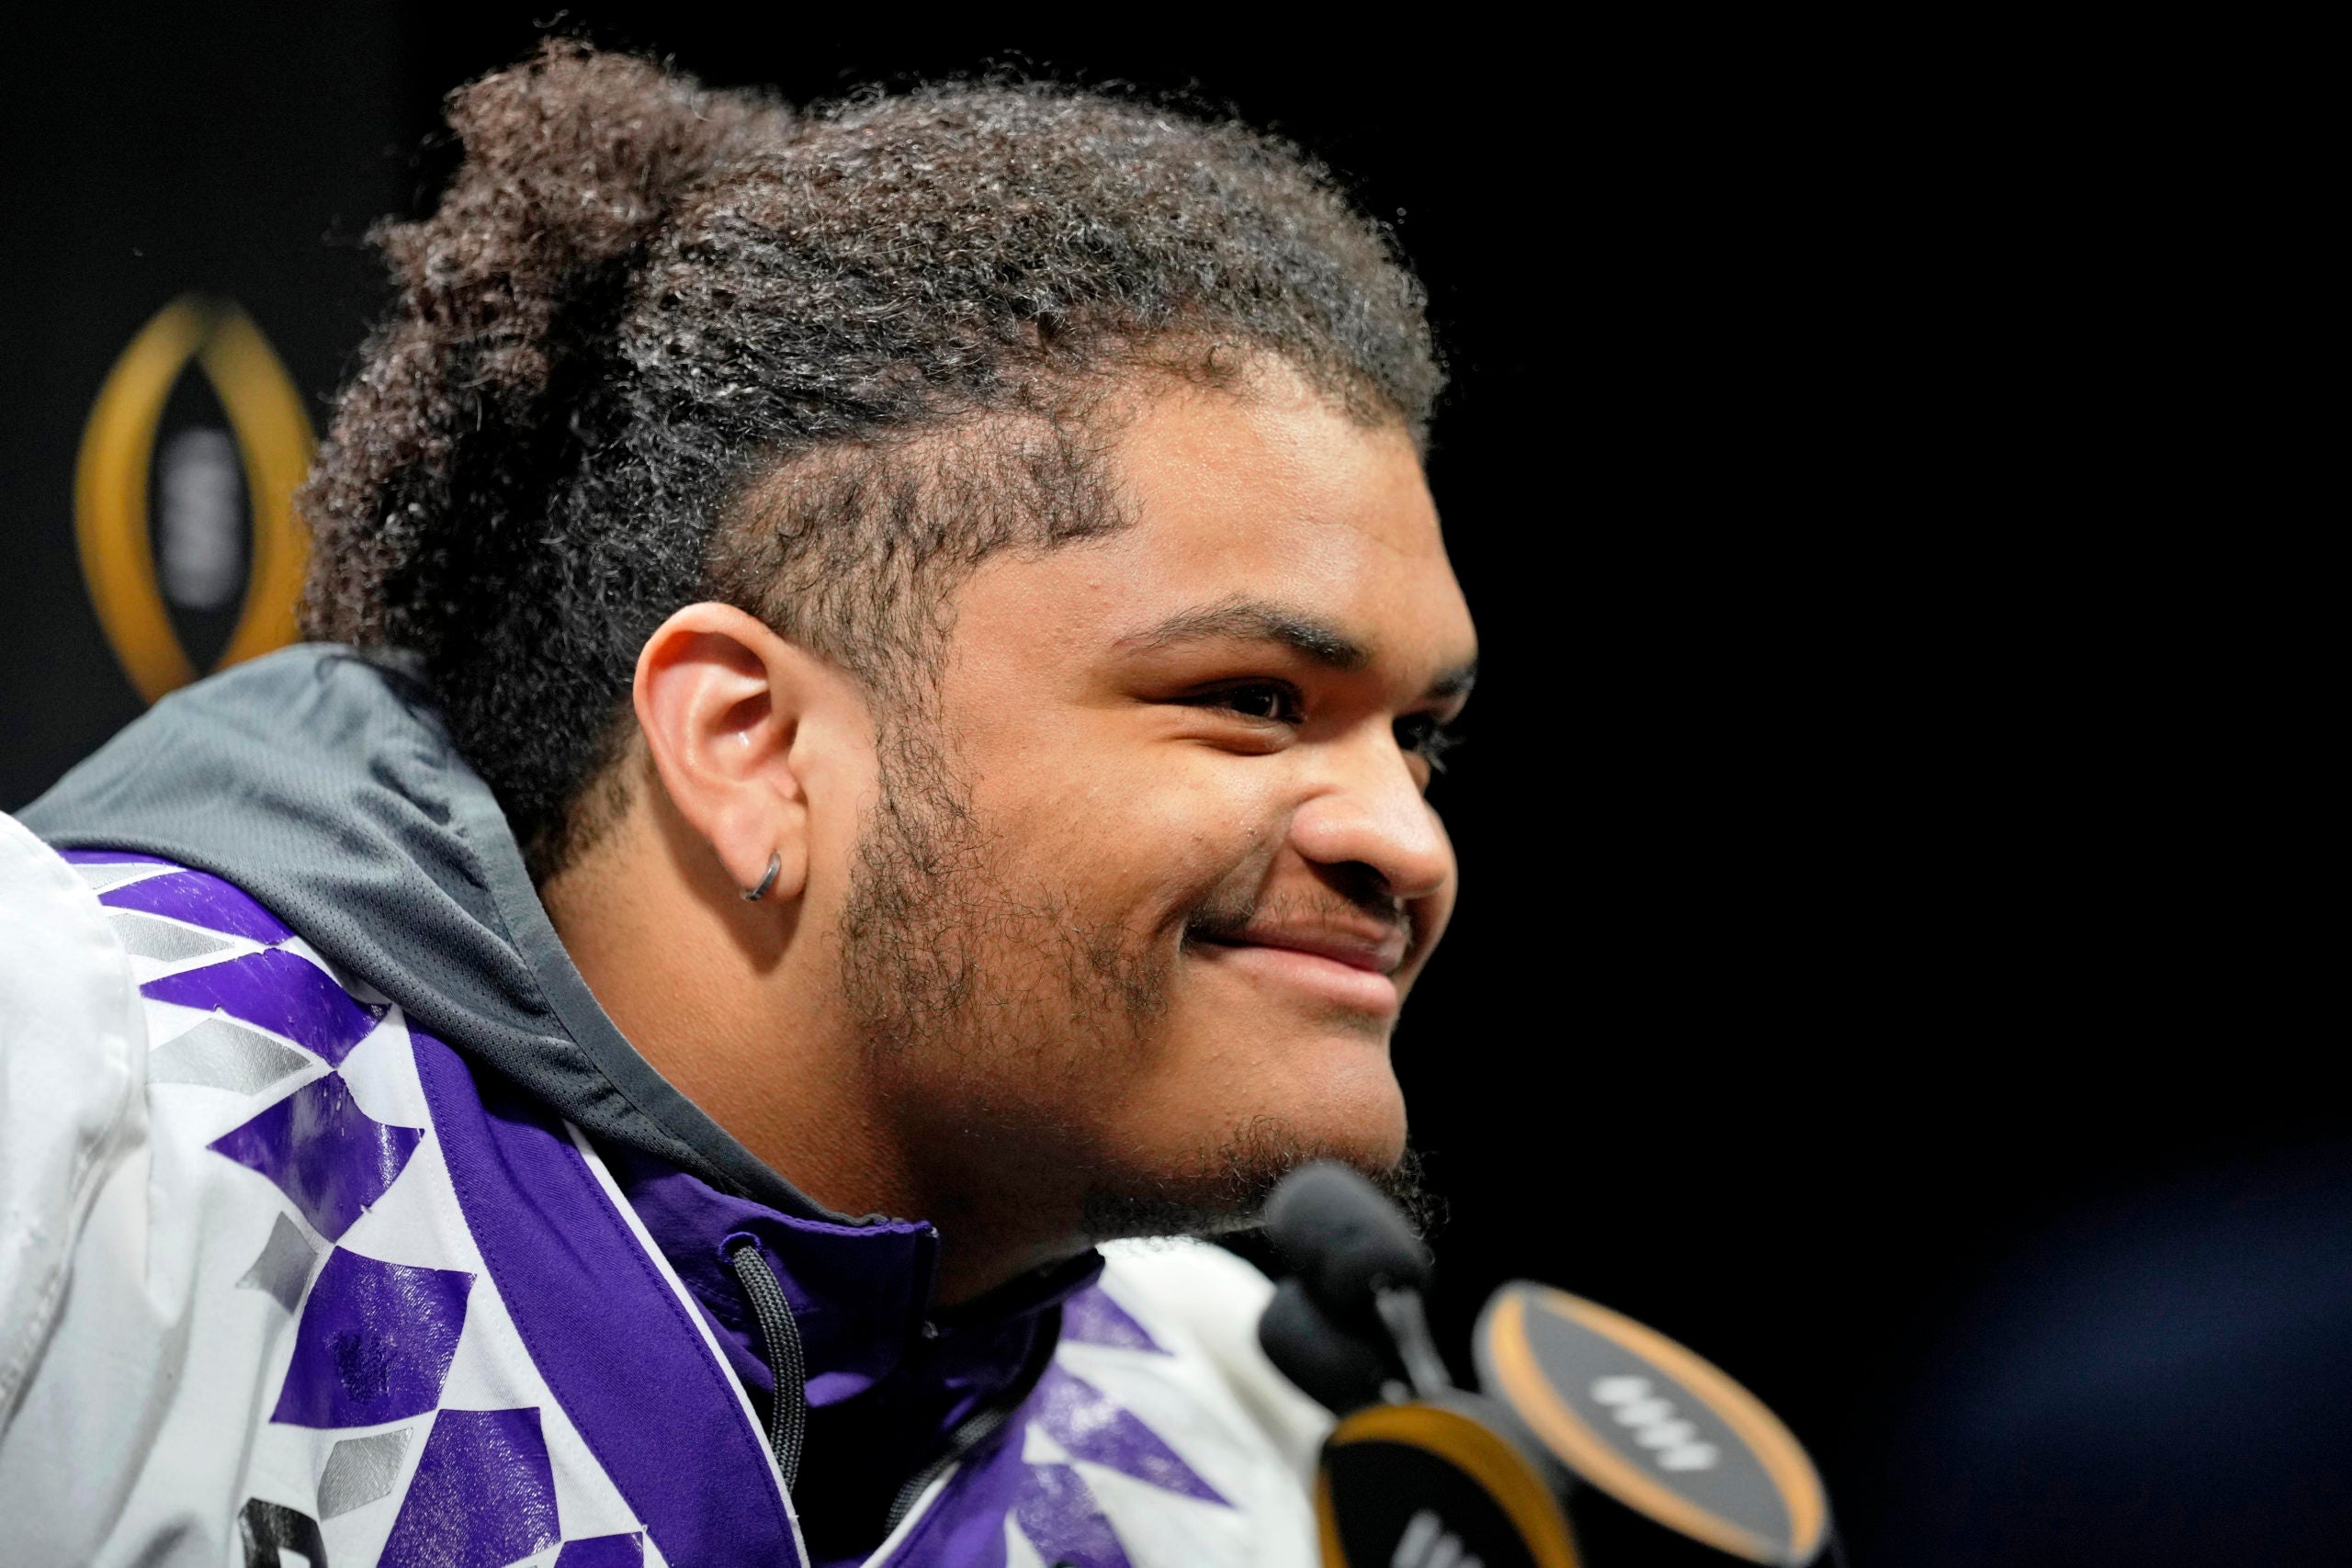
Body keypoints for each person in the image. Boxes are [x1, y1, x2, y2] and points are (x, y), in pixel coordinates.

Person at [0, 40, 1475, 1568]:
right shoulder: (85, 1112)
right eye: (1253, 703)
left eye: (1423, 734)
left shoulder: (1242, 1434)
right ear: (752, 745)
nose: (1408, 840)